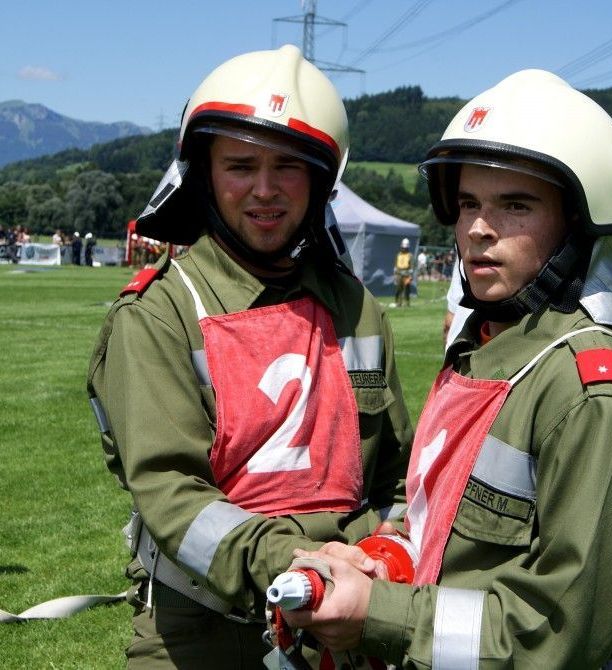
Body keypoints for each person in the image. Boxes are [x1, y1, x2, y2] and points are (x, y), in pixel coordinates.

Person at [287, 69, 612, 669]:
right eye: (468, 203)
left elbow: (560, 630)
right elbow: (441, 532)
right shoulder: (481, 350)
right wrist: (376, 561)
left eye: (514, 205)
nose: (476, 228)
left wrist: (380, 615)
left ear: (580, 221)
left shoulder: (589, 393)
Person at [86, 45, 412, 668]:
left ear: (322, 179)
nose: (265, 190)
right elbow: (173, 495)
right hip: (201, 636)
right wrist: (298, 568)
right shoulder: (157, 314)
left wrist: (385, 558)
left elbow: (397, 476)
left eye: (289, 166)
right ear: (204, 173)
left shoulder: (356, 307)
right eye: (240, 165)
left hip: (347, 625)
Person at [393, 237, 414, 307]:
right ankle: (398, 302)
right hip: (398, 274)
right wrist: (395, 275)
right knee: (398, 289)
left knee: (407, 290)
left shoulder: (410, 255)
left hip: (406, 274)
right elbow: (396, 264)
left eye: (405, 248)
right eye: (403, 247)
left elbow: (412, 266)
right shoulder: (398, 254)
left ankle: (407, 303)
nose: (404, 249)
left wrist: (410, 276)